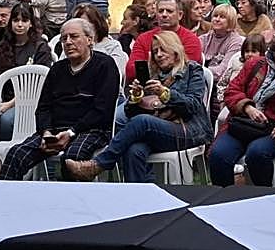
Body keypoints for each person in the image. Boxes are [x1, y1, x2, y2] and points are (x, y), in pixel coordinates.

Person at [66, 31, 211, 183]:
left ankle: (98, 164)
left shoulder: (192, 70)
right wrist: (136, 98)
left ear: (175, 50)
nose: (159, 55)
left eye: (163, 49)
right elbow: (131, 114)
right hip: (160, 130)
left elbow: (192, 106)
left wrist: (165, 93)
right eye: (155, 52)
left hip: (189, 129)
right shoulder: (152, 76)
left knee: (143, 121)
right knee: (134, 150)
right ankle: (142, 198)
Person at [0, 18, 121, 181]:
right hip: (54, 132)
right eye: (64, 38)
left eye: (74, 36)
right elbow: (43, 108)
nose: (68, 42)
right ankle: (4, 201)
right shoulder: (57, 69)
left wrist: (71, 132)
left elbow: (102, 110)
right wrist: (46, 132)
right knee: (17, 154)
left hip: (90, 130)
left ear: (89, 40)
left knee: (73, 158)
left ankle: (70, 204)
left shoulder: (105, 65)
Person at [211, 26, 275, 186]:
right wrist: (247, 107)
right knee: (218, 154)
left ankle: (263, 198)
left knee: (257, 153)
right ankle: (223, 200)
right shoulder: (255, 64)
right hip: (243, 123)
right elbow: (232, 91)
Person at [0, 3, 54, 140]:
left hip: (30, 101)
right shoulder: (0, 48)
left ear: (31, 23)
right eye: (15, 20)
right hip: (2, 98)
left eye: (24, 21)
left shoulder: (40, 48)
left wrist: (10, 104)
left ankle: (7, 157)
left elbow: (40, 85)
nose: (20, 25)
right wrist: (0, 101)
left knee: (6, 121)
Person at [126, 0, 203, 80]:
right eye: (160, 11)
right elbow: (131, 71)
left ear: (180, 15)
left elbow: (186, 70)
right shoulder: (143, 39)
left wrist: (150, 65)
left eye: (169, 11)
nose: (164, 15)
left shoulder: (191, 40)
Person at [199, 4, 244, 74]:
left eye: (222, 17)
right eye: (215, 16)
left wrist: (198, 71)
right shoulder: (203, 38)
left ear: (230, 21)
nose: (217, 19)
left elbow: (223, 70)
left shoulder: (236, 42)